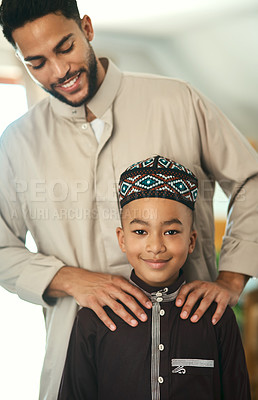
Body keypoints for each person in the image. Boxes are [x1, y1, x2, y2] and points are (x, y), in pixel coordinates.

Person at [0, 1, 257, 399]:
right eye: (36, 63)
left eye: (64, 47)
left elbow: (251, 181)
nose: (58, 71)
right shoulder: (16, 144)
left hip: (193, 357)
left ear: (86, 27)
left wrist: (232, 277)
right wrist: (68, 278)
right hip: (78, 364)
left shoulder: (178, 102)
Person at [58, 155, 251, 400]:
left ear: (191, 241)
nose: (156, 246)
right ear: (122, 239)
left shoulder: (217, 318)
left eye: (171, 231)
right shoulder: (93, 319)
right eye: (140, 231)